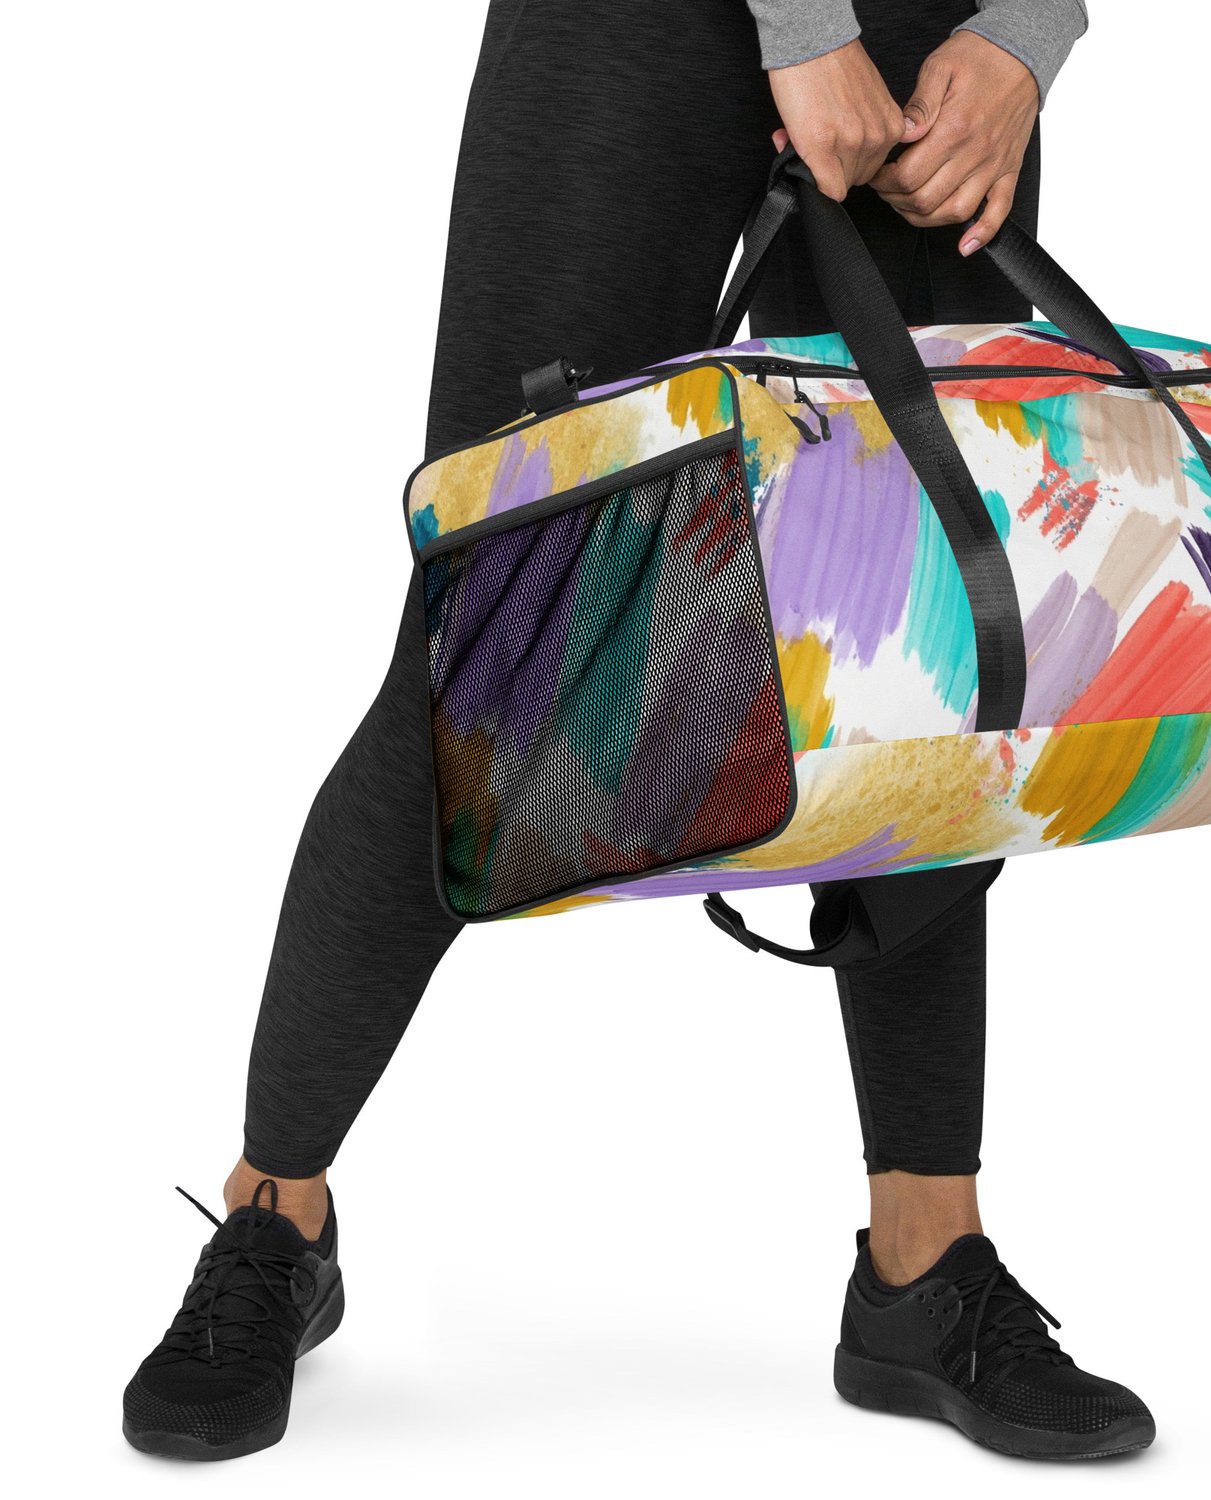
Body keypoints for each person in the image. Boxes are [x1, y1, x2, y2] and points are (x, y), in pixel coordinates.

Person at [123, 0, 1152, 1466]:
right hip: (639, 28)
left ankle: (925, 1266)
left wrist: (1029, 33)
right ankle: (274, 1216)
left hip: (945, 51)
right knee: (493, 633)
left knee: (924, 657)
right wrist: (803, 23)